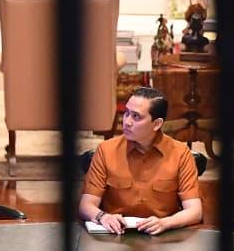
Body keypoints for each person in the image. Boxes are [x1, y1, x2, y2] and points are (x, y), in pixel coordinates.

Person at [79, 87, 203, 235]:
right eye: (126, 113)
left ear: (157, 124)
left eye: (136, 116)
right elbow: (86, 206)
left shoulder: (180, 154)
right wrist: (103, 217)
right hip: (116, 235)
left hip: (163, 236)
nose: (127, 122)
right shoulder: (106, 150)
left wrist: (165, 223)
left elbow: (195, 211)